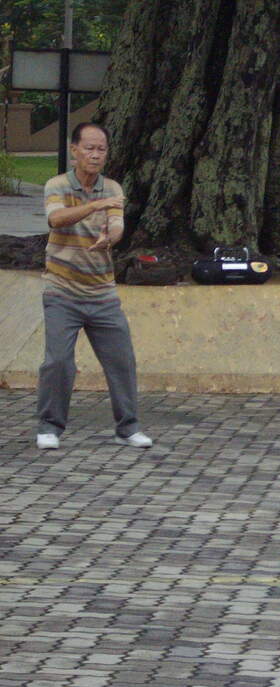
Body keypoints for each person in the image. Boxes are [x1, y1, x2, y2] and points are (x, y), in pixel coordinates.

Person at [36, 123, 152, 451]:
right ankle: (49, 427)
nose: (95, 155)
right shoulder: (57, 185)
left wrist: (108, 238)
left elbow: (117, 227)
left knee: (122, 360)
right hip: (61, 291)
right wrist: (94, 206)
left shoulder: (111, 188)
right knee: (58, 361)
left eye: (101, 149)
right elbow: (56, 219)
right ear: (74, 151)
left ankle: (127, 428)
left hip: (102, 293)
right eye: (89, 148)